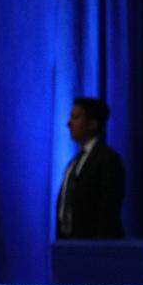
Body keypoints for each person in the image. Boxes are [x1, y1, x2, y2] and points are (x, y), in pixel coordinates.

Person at [56, 97, 125, 239]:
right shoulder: (74, 163)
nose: (69, 123)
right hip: (69, 245)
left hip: (94, 249)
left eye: (75, 117)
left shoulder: (108, 160)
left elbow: (108, 210)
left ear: (92, 124)